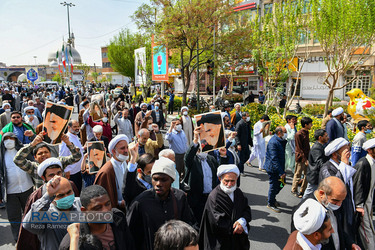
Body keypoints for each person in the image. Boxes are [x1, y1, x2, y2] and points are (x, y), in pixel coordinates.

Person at [126, 157, 196, 250]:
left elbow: (188, 224)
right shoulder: (141, 202)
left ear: (172, 180)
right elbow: (130, 233)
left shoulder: (179, 197)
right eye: (155, 179)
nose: (158, 183)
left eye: (164, 180)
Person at [291, 177, 359, 250]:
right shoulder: (304, 211)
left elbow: (337, 229)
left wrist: (350, 243)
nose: (339, 205)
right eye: (335, 200)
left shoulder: (330, 203)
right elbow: (300, 243)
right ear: (322, 193)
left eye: (341, 201)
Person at [59, 185, 135, 250]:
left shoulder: (118, 218)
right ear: (84, 211)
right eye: (98, 208)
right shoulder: (72, 242)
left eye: (107, 204)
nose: (105, 210)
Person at [199, 164, 251, 249]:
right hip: (221, 242)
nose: (229, 184)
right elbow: (217, 222)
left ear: (237, 179)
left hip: (237, 241)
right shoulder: (214, 197)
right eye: (226, 180)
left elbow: (246, 209)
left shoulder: (238, 192)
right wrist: (236, 228)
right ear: (220, 179)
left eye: (232, 181)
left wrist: (243, 221)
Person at [23, 175, 81, 250]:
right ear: (52, 199)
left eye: (69, 192)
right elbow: (28, 225)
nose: (66, 197)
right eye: (61, 195)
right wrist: (48, 195)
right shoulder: (45, 214)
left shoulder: (80, 203)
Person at [319, 138, 357, 247]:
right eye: (345, 152)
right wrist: (344, 165)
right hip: (338, 214)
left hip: (347, 211)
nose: (348, 154)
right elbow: (335, 187)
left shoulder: (344, 166)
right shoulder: (327, 168)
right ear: (335, 154)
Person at [14, 131, 82, 187]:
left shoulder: (58, 162)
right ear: (35, 157)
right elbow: (18, 160)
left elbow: (77, 157)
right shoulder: (34, 168)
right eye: (40, 153)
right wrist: (32, 144)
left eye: (46, 152)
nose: (44, 155)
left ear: (50, 153)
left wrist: (68, 143)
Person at [0, 133, 34, 242]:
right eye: (6, 139)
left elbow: (35, 148)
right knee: (14, 218)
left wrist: (33, 136)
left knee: (30, 214)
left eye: (11, 138)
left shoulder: (22, 151)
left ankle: (32, 238)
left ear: (16, 140)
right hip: (10, 192)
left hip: (27, 188)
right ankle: (19, 240)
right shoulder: (1, 155)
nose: (9, 141)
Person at [184, 127, 219, 223]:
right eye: (200, 148)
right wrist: (195, 139)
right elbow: (188, 157)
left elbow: (219, 174)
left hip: (210, 198)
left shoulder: (212, 160)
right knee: (197, 223)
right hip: (196, 199)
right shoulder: (193, 160)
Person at [94, 134, 129, 210]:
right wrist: (119, 203)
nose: (126, 151)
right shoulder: (106, 171)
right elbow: (103, 197)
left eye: (127, 147)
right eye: (122, 148)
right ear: (113, 151)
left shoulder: (125, 162)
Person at [353, 138, 375, 250]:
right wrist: (359, 205)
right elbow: (358, 185)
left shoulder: (372, 163)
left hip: (369, 202)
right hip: (363, 205)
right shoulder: (363, 164)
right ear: (370, 150)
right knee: (366, 230)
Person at [264, 126, 287, 213]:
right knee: (274, 186)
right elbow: (274, 159)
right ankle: (270, 203)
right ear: (279, 133)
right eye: (284, 132)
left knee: (282, 183)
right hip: (273, 169)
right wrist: (280, 172)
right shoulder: (273, 142)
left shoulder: (280, 141)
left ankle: (272, 197)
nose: (286, 134)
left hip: (279, 167)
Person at [303, 129, 330, 199]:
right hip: (315, 176)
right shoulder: (317, 148)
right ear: (320, 138)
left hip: (317, 176)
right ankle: (300, 207)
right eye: (326, 136)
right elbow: (319, 162)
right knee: (309, 193)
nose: (328, 137)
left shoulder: (321, 146)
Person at [59, 120, 84, 193]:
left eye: (78, 126)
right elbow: (62, 155)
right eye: (75, 127)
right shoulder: (66, 139)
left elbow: (77, 149)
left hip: (78, 169)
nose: (77, 128)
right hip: (71, 172)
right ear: (69, 127)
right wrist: (66, 170)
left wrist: (83, 148)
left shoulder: (75, 136)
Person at [291, 117, 313, 198]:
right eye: (310, 124)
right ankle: (294, 189)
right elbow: (299, 149)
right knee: (298, 174)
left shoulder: (307, 132)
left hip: (307, 157)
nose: (311, 125)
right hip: (301, 158)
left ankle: (302, 190)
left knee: (307, 175)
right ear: (306, 125)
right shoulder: (299, 134)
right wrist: (305, 159)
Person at [235, 112, 253, 176]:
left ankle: (239, 165)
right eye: (247, 116)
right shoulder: (240, 124)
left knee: (247, 155)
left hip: (246, 144)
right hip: (241, 144)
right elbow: (236, 135)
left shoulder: (247, 123)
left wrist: (251, 143)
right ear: (243, 117)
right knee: (241, 158)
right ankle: (240, 171)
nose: (248, 117)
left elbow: (248, 134)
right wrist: (238, 144)